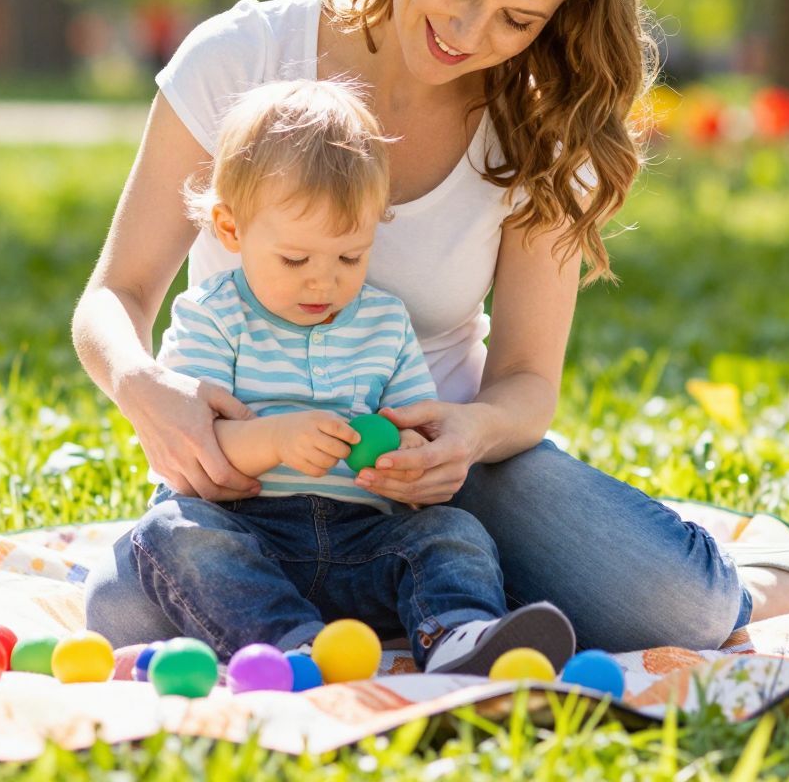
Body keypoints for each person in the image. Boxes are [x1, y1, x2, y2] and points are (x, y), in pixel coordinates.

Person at [74, 0, 789, 657]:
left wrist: (468, 437)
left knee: (682, 609)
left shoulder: (541, 128)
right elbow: (117, 292)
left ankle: (780, 579)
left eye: (517, 20)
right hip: (244, 477)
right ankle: (426, 608)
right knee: (125, 611)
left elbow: (525, 379)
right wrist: (147, 389)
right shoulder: (244, 56)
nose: (468, 33)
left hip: (439, 484)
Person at [127, 79, 574, 673]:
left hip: (365, 539)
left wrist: (412, 462)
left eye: (349, 257)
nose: (324, 282)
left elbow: (411, 424)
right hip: (251, 536)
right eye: (296, 259)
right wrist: (278, 439)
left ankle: (459, 637)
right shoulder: (213, 314)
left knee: (454, 532)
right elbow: (198, 444)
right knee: (172, 531)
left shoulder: (384, 322)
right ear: (231, 230)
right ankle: (291, 645)